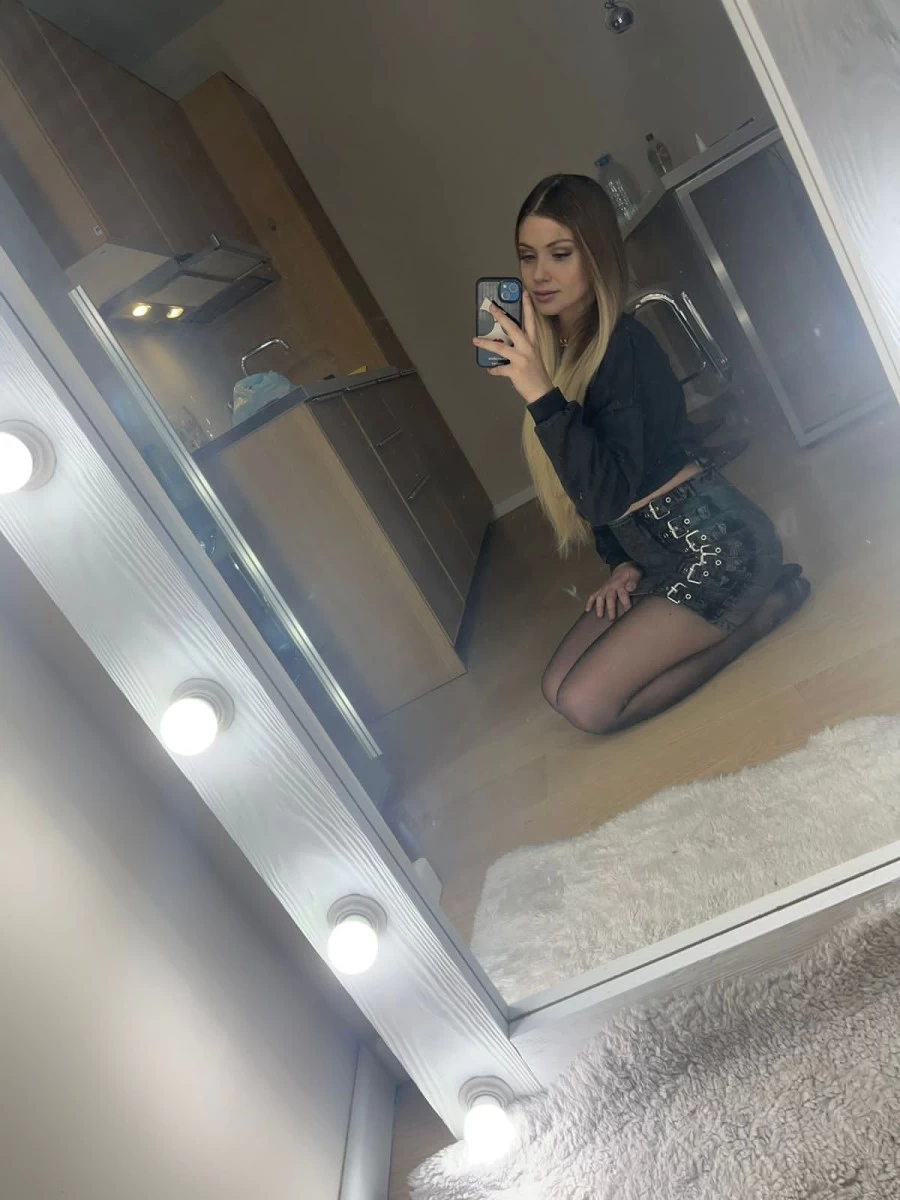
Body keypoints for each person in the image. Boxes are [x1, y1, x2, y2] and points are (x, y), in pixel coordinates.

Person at [473, 174, 810, 735]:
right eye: (528, 257)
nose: (539, 274)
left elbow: (607, 494)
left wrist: (541, 397)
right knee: (555, 687)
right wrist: (620, 564)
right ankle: (698, 609)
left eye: (560, 254)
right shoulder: (564, 355)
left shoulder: (623, 349)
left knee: (586, 704)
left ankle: (765, 612)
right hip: (656, 557)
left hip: (720, 549)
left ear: (596, 256)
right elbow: (588, 489)